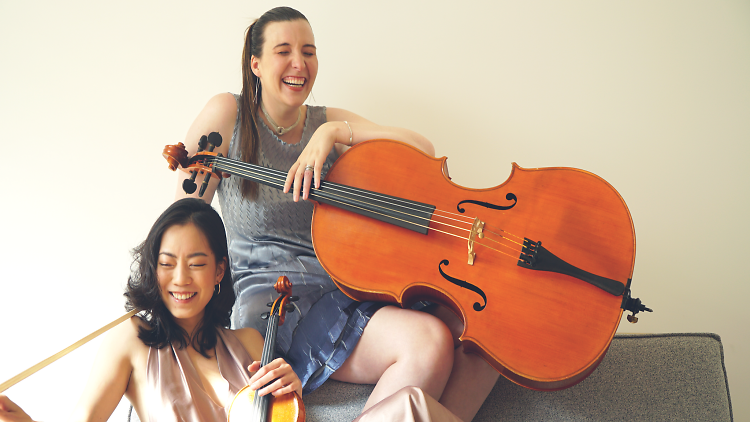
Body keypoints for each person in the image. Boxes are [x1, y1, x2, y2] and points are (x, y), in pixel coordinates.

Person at [175, 6, 499, 421]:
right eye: (284, 51)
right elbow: (186, 217)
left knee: (480, 335)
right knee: (430, 340)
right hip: (274, 303)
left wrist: (333, 133)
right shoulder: (229, 113)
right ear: (255, 63)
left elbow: (422, 149)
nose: (299, 63)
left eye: (309, 51)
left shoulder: (325, 123)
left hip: (344, 288)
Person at [0, 198, 301, 421]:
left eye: (196, 264)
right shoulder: (132, 338)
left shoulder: (250, 343)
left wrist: (295, 396)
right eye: (167, 264)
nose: (181, 279)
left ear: (219, 271)